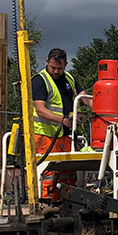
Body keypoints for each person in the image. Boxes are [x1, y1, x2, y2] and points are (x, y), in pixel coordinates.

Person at [32, 48, 91, 203]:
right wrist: (62, 120)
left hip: (64, 136)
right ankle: (45, 205)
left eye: (60, 68)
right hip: (45, 137)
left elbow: (84, 98)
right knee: (48, 173)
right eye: (53, 67)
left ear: (66, 64)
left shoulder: (69, 78)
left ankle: (66, 203)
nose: (56, 71)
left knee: (68, 173)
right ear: (46, 62)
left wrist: (101, 110)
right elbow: (40, 110)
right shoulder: (40, 80)